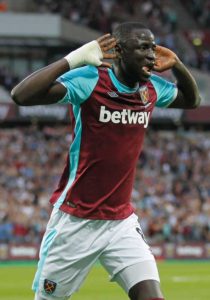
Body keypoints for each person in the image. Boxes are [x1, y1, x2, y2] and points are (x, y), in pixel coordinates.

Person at [11, 22, 201, 300]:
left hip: (120, 221)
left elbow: (191, 101)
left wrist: (179, 66)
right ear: (120, 52)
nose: (151, 55)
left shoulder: (150, 89)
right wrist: (74, 58)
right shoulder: (91, 80)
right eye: (142, 47)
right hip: (76, 222)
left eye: (152, 47)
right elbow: (21, 95)